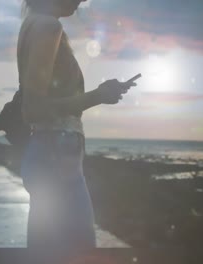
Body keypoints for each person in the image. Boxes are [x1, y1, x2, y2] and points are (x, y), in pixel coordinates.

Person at [18, 0, 136, 261]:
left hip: (48, 156)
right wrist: (98, 96)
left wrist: (99, 93)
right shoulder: (47, 26)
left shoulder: (33, 24)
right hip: (56, 159)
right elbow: (33, 107)